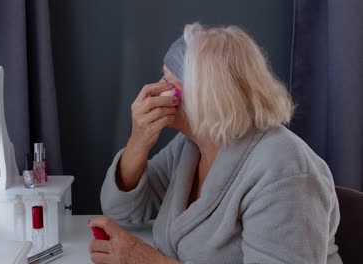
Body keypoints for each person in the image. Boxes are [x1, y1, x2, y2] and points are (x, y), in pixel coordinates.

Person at [87, 23, 342, 264]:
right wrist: (138, 141)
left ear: (204, 96)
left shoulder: (284, 168)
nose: (156, 90)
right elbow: (123, 211)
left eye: (168, 82)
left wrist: (146, 260)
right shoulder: (190, 147)